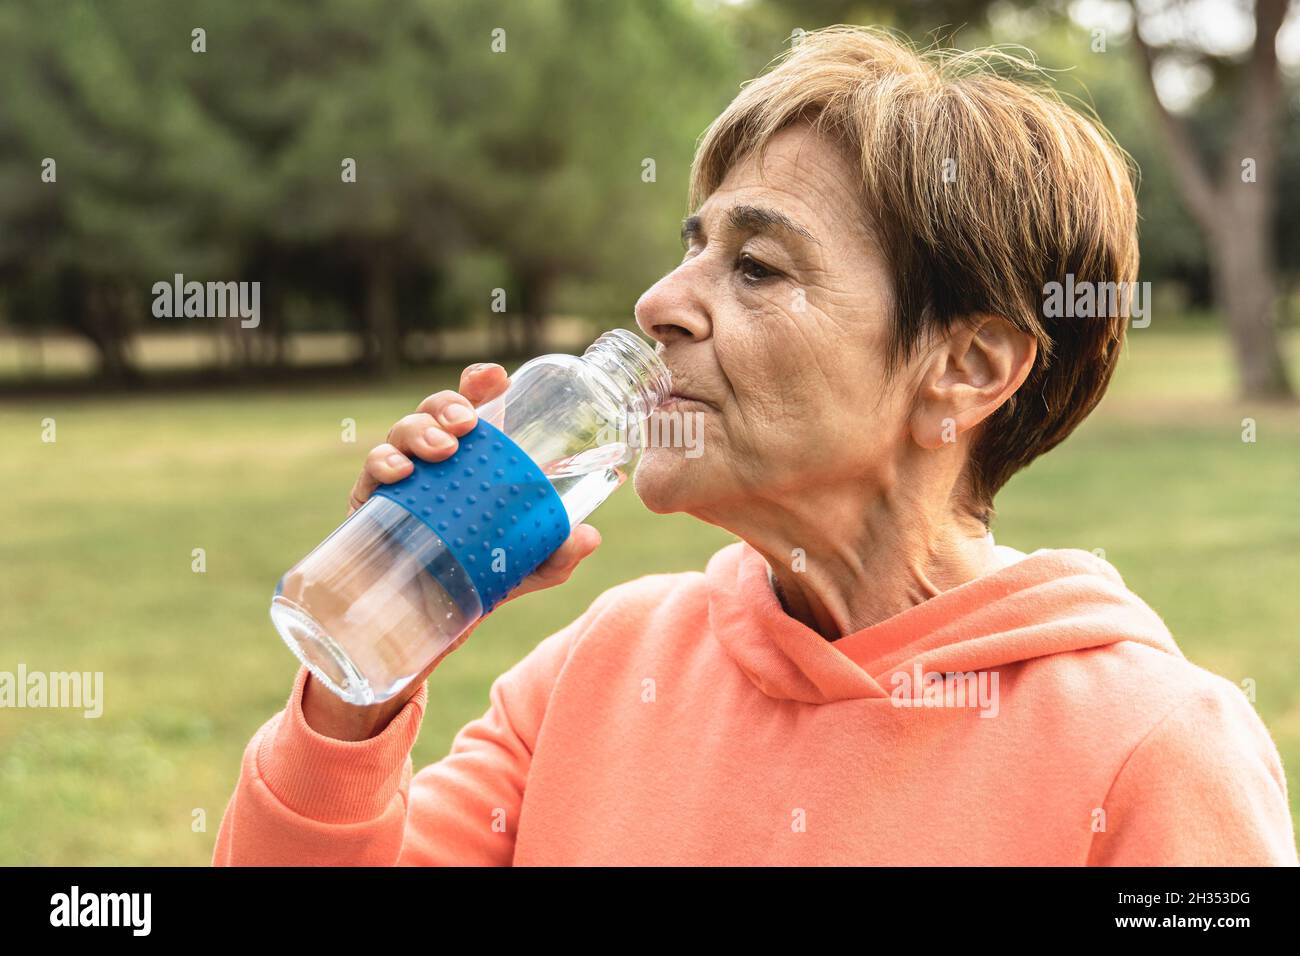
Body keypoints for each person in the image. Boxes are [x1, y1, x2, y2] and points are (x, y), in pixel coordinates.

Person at [214, 26, 1297, 865]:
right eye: (693, 249)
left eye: (758, 268)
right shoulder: (604, 666)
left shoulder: (1155, 749)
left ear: (967, 368)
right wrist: (367, 664)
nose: (659, 303)